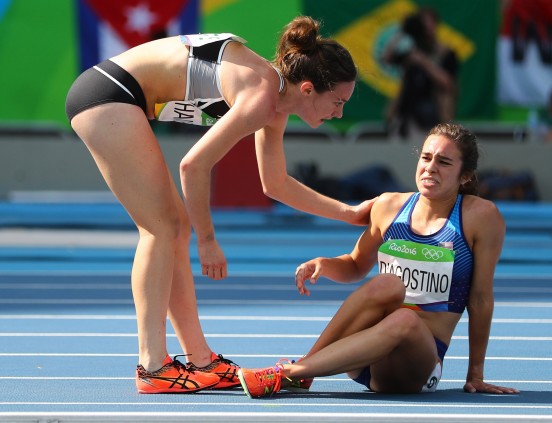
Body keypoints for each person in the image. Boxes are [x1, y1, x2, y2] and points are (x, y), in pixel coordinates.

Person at [65, 16, 375, 394]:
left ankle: (201, 360)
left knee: (172, 228)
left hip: (114, 96)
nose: (339, 114)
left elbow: (275, 183)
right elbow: (193, 165)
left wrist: (350, 213)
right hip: (107, 94)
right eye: (338, 102)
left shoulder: (275, 99)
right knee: (162, 229)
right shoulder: (262, 95)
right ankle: (151, 366)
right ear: (308, 89)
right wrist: (207, 240)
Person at [237, 123, 520, 398]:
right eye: (426, 157)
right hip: (364, 356)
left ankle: (290, 372)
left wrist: (476, 375)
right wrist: (325, 263)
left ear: (465, 176)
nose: (430, 167)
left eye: (444, 162)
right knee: (386, 284)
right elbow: (355, 265)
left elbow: (480, 299)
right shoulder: (388, 205)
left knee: (405, 319)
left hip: (416, 364)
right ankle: (303, 369)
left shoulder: (480, 217)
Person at [382, 7, 459, 138]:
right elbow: (386, 58)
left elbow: (447, 82)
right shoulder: (411, 52)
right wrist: (403, 32)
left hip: (433, 114)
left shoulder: (445, 53)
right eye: (422, 25)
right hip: (406, 113)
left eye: (428, 24)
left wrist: (423, 62)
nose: (426, 29)